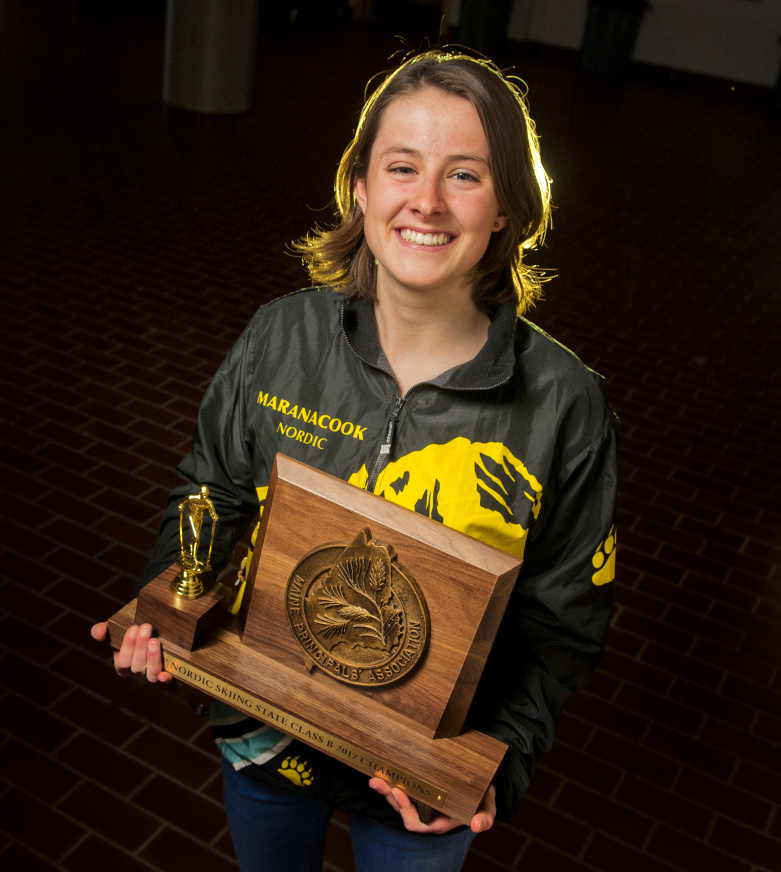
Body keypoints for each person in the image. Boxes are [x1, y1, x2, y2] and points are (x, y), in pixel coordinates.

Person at [92, 49, 617, 871]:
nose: (428, 202)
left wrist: (495, 770)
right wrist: (169, 597)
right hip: (262, 737)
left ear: (509, 205)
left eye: (466, 175)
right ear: (361, 188)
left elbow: (563, 625)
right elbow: (212, 491)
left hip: (418, 789)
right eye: (402, 166)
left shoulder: (565, 405)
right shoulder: (279, 337)